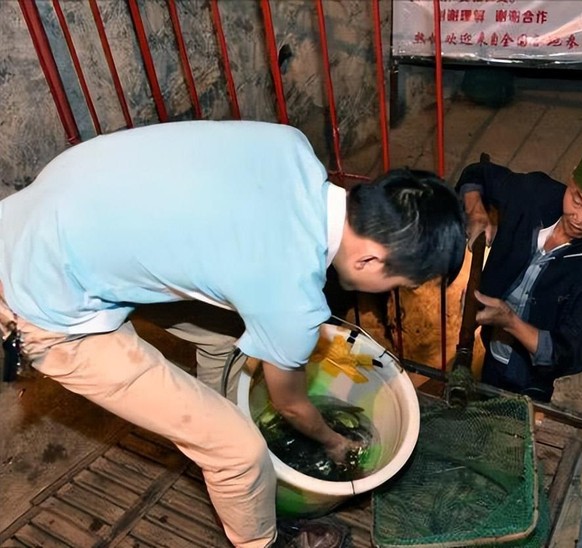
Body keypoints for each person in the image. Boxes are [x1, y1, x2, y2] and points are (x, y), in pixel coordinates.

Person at [0, 120, 465, 547]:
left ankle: (209, 431)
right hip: (45, 303)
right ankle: (259, 536)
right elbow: (291, 406)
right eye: (398, 285)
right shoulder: (291, 298)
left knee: (226, 339)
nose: (391, 293)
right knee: (240, 452)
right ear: (369, 261)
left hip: (41, 208)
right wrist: (335, 442)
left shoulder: (290, 147)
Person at [456, 144, 582, 402]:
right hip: (490, 350)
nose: (579, 218)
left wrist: (511, 322)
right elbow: (477, 174)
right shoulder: (535, 194)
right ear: (572, 176)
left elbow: (568, 354)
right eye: (577, 199)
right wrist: (476, 211)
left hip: (533, 385)